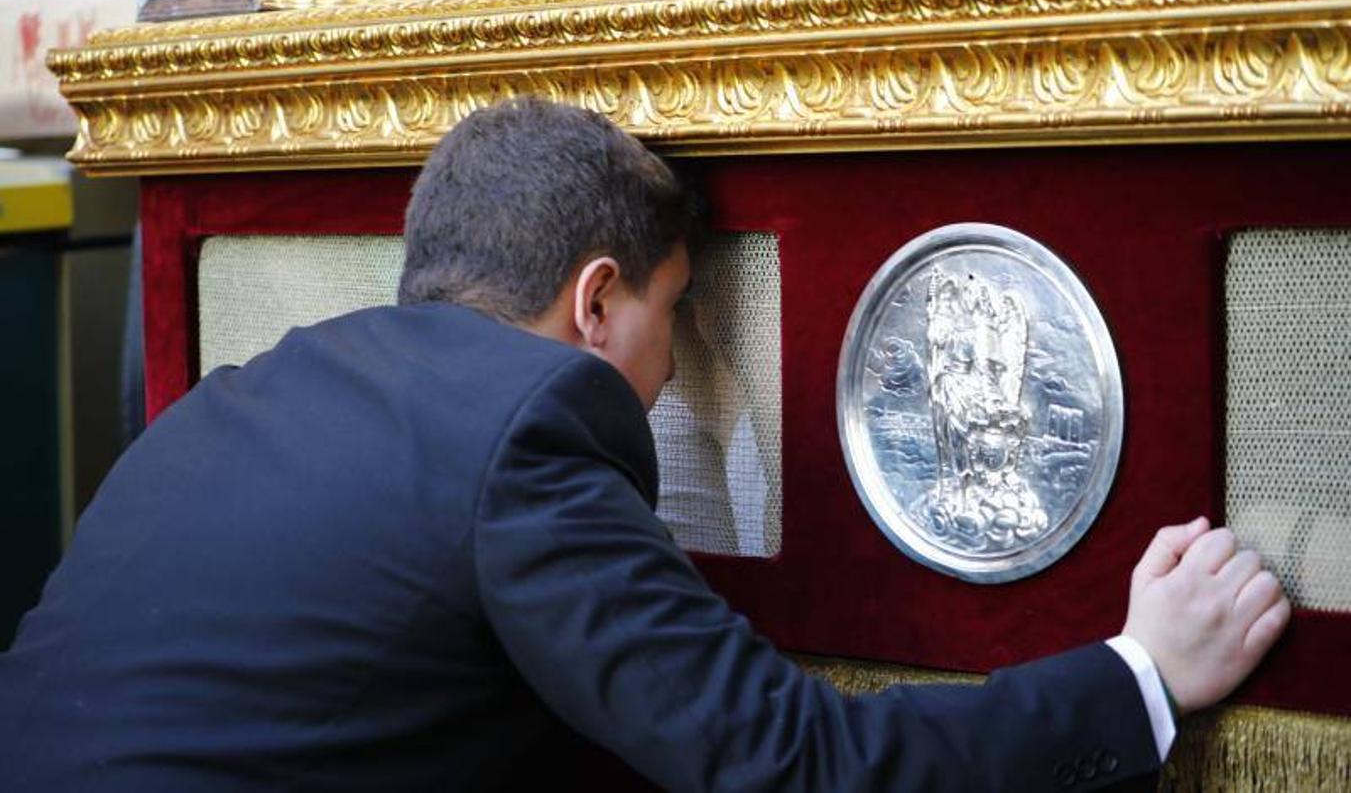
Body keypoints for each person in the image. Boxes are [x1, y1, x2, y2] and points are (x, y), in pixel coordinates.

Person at [0, 98, 1289, 791]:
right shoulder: (520, 427)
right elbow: (796, 769)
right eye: (677, 315)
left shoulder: (225, 403)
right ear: (596, 298)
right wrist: (1141, 677)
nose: (675, 372)